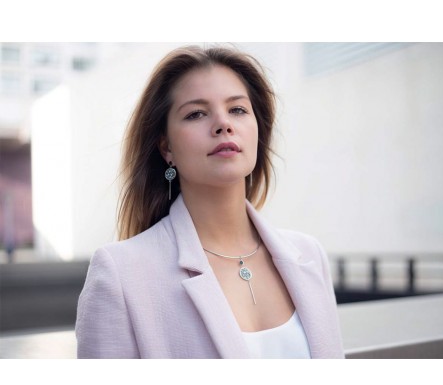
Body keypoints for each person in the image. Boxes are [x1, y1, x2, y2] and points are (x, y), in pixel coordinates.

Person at [76, 45, 344, 358]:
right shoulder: (121, 274)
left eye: (238, 110)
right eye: (196, 114)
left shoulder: (308, 255)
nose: (223, 124)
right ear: (166, 148)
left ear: (259, 130)